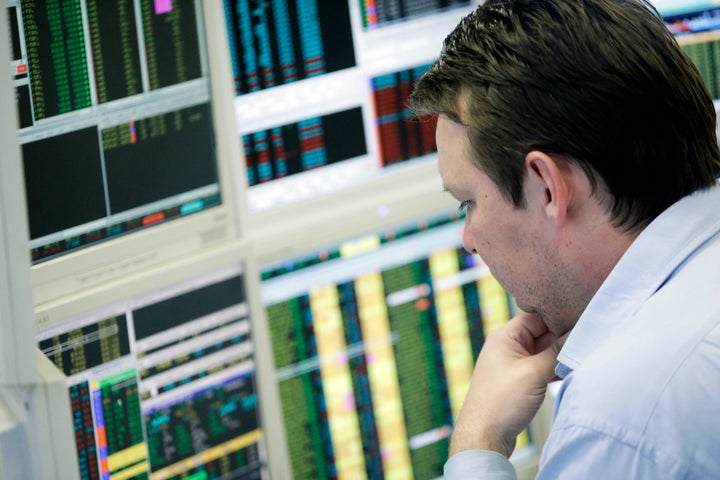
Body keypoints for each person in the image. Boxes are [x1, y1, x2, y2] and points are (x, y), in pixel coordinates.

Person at [408, 0, 720, 478]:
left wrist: (477, 445)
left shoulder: (621, 420)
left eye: (469, 203)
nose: (469, 240)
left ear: (549, 188)